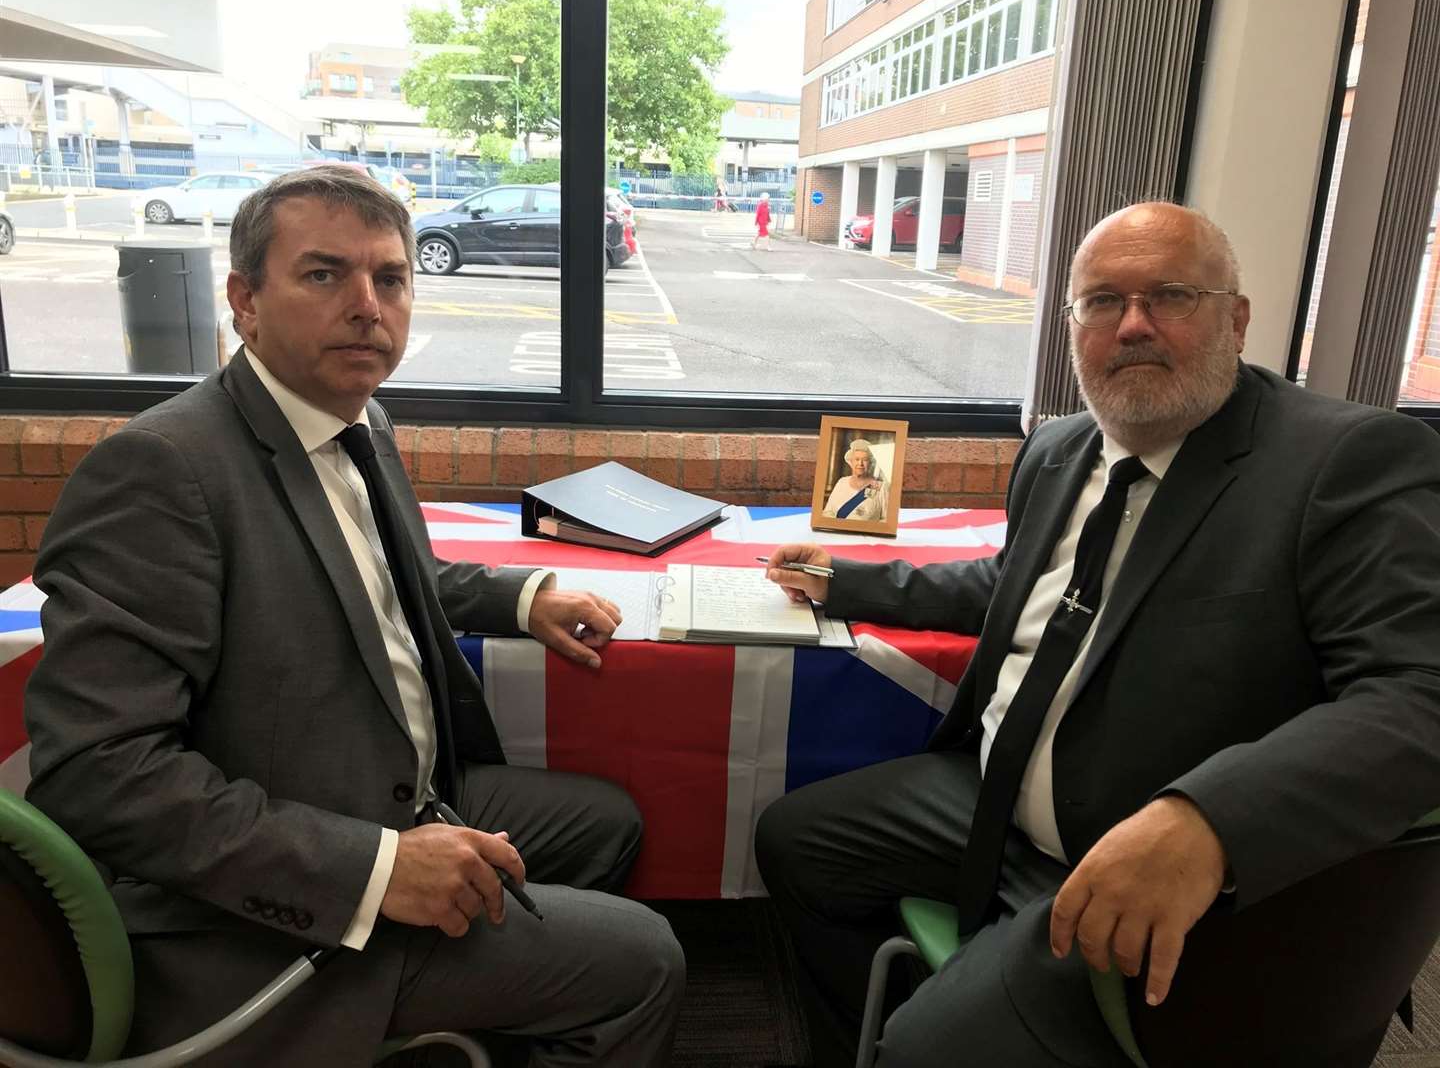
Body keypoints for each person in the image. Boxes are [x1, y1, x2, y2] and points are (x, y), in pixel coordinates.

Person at [23, 166, 684, 1068]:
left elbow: (387, 576)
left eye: (391, 278)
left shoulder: (355, 419)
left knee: (608, 823)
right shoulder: (162, 471)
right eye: (324, 275)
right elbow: (98, 773)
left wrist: (526, 597)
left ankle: (472, 1024)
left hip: (398, 789)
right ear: (244, 302)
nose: (368, 306)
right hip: (257, 910)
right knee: (644, 959)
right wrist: (375, 872)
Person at [756, 201, 1440, 1068]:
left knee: (927, 1053)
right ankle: (928, 1015)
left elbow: (1419, 693)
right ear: (1073, 324)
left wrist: (1207, 821)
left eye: (1171, 296)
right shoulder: (1062, 448)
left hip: (1137, 850)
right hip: (993, 799)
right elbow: (1010, 588)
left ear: (1236, 318)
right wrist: (842, 580)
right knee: (795, 844)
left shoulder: (1343, 463)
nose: (1134, 326)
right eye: (1103, 303)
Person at [822, 437, 888, 522]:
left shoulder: (880, 487)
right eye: (857, 459)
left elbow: (887, 519)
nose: (860, 464)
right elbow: (828, 512)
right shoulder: (842, 482)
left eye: (865, 460)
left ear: (870, 463)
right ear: (851, 462)